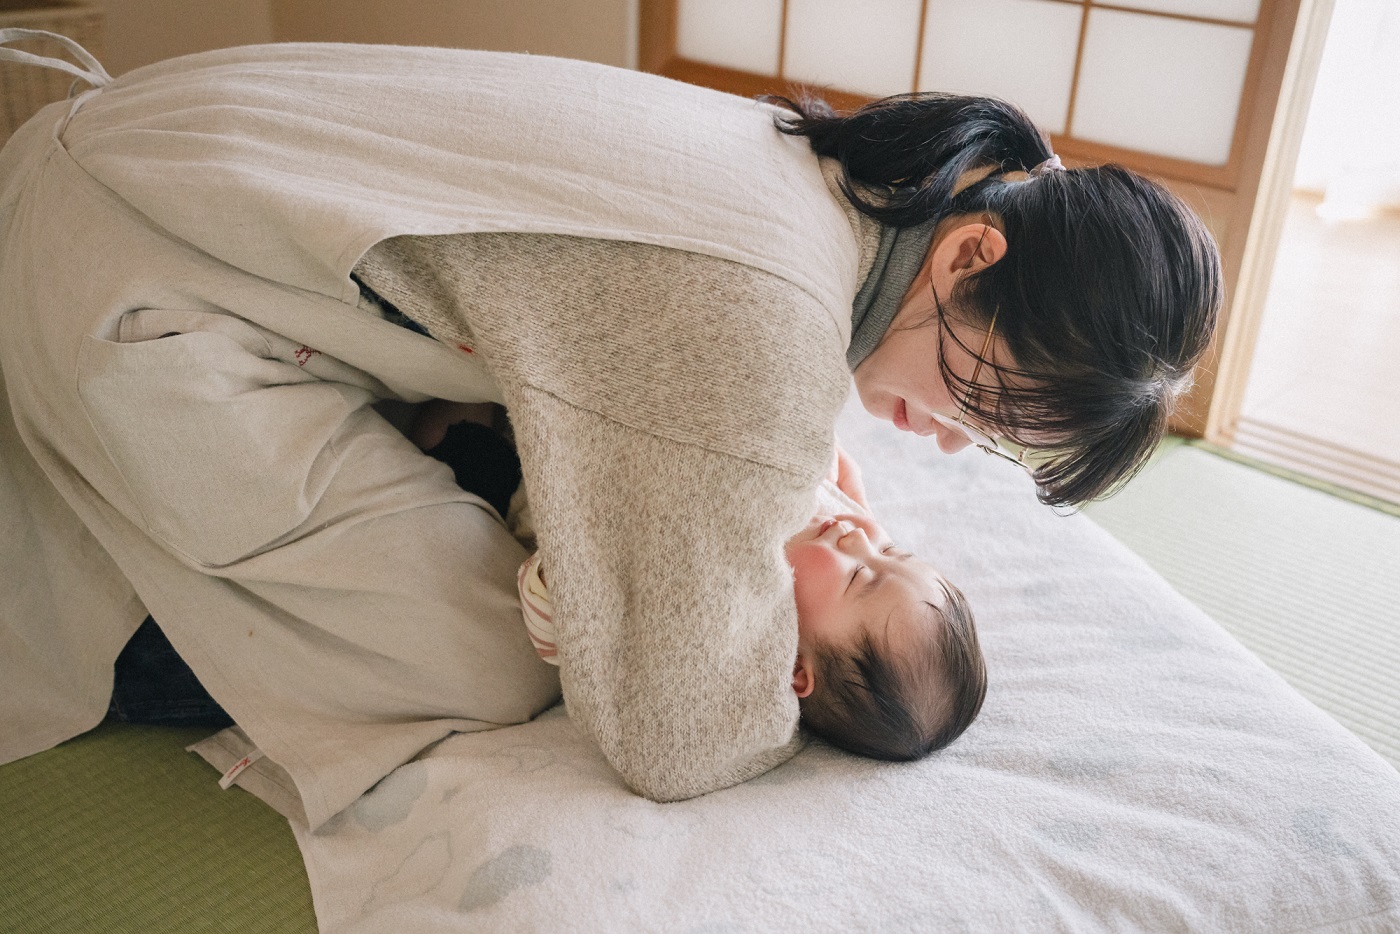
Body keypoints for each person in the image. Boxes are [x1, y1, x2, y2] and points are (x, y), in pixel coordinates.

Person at [0, 38, 1219, 825]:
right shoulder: (768, 326)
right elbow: (671, 736)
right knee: (484, 656)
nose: (953, 441)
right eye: (988, 401)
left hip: (167, 151)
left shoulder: (831, 180)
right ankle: (136, 636)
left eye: (994, 439)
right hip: (140, 279)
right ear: (967, 254)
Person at [519, 469, 986, 762]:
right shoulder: (828, 510)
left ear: (796, 669)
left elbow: (554, 610)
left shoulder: (706, 622)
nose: (858, 536)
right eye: (893, 548)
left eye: (860, 576)